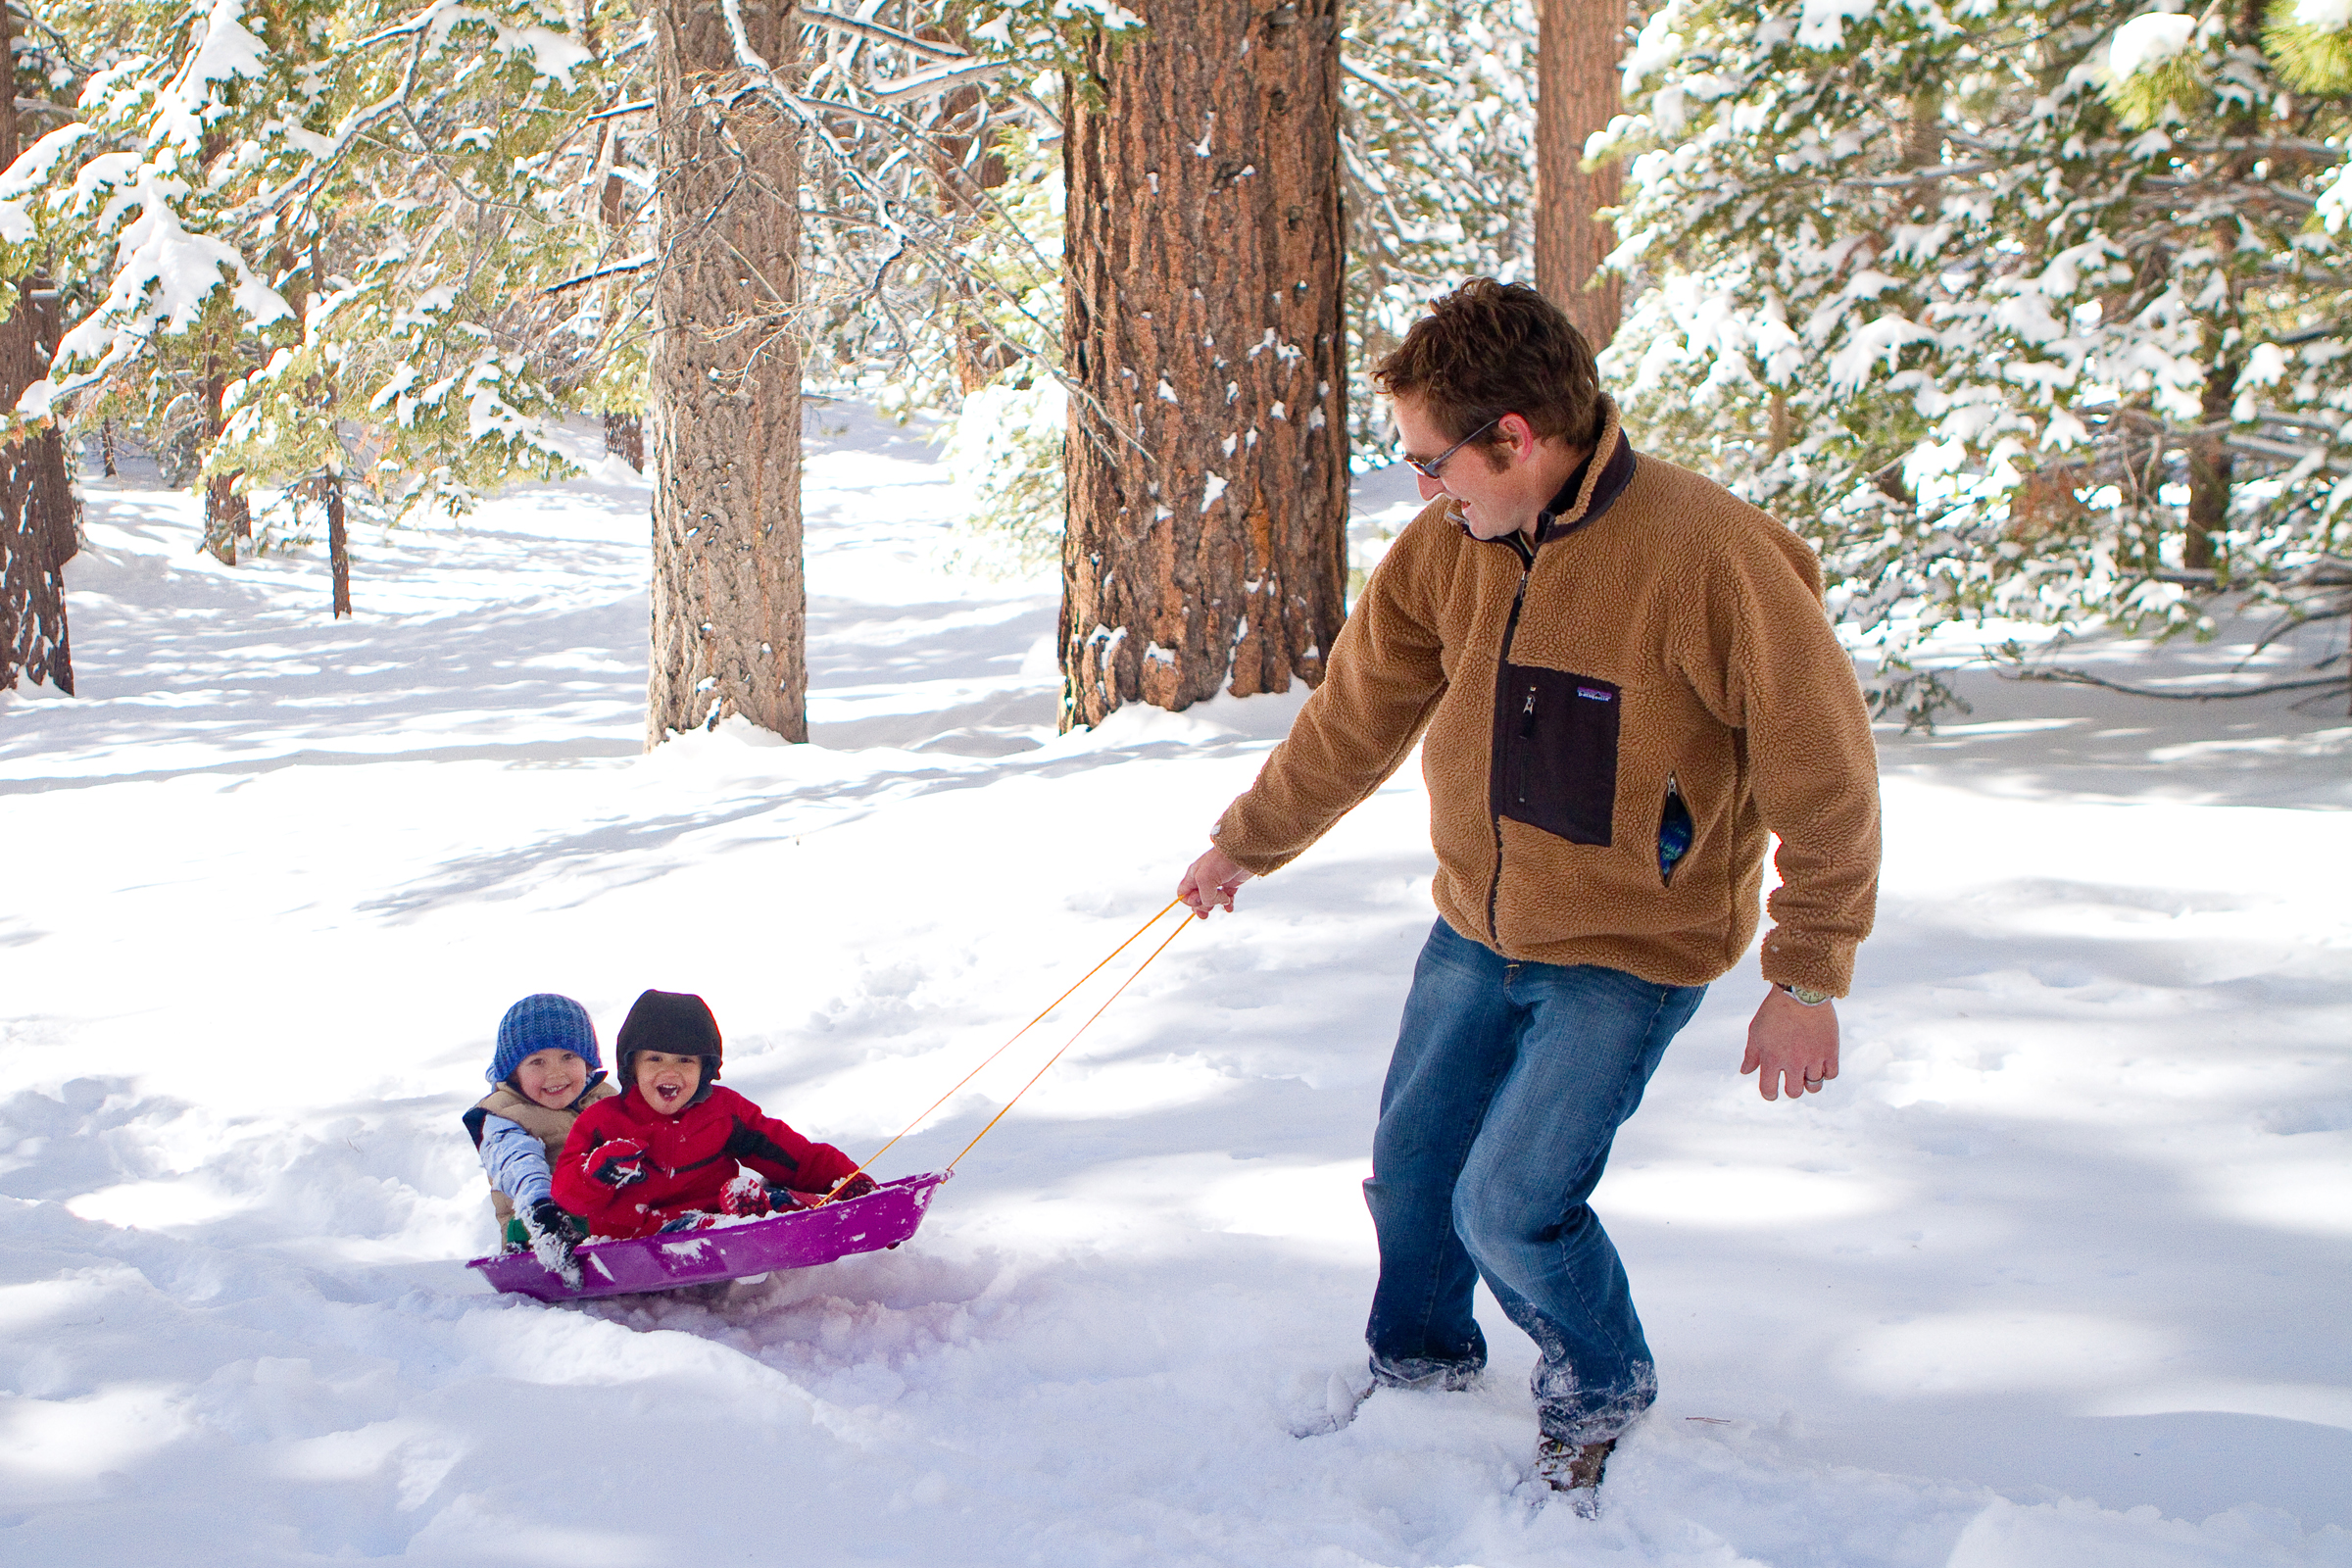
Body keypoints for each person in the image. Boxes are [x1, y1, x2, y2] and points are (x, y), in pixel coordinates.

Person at [1174, 279, 1881, 1511]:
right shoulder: (1448, 549)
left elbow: (1826, 778)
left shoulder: (1707, 556)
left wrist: (1808, 973)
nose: (1423, 488)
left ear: (1514, 436)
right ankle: (1422, 1371)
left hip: (1629, 949)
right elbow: (1356, 718)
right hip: (1476, 929)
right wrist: (1250, 841)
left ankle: (1600, 1387)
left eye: (1432, 460)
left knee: (1511, 1203)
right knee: (1413, 1176)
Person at [553, 989, 876, 1240]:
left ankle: (821, 1210)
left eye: (685, 1061)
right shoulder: (603, 1121)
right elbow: (567, 1194)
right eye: (655, 1059)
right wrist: (595, 1174)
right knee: (701, 1227)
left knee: (778, 1200)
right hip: (641, 1234)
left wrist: (842, 1177)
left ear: (704, 1068)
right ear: (631, 1066)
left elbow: (792, 1154)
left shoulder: (724, 1112)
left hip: (721, 1209)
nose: (670, 1071)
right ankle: (739, 1227)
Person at [461, 993, 617, 1288]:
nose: (555, 1073)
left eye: (568, 1057)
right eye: (537, 1062)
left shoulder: (607, 1101)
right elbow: (517, 1162)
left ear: (587, 1063)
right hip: (541, 1229)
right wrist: (540, 1207)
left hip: (608, 1223)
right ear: (514, 1072)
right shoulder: (504, 1115)